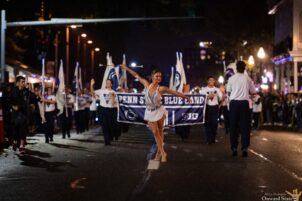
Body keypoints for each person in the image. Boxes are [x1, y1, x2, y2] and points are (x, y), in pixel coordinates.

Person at [121, 64, 190, 162]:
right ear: (152, 77)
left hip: (159, 111)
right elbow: (136, 75)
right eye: (157, 76)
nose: (159, 78)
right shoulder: (146, 84)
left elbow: (174, 92)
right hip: (149, 112)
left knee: (160, 133)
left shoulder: (161, 89)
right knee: (155, 132)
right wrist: (126, 68)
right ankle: (163, 153)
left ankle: (158, 154)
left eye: (160, 76)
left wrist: (185, 97)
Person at [227, 61, 256, 157]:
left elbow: (229, 91)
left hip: (234, 103)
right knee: (245, 126)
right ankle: (244, 148)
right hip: (244, 103)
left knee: (233, 126)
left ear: (236, 68)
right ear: (244, 68)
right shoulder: (248, 79)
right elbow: (253, 92)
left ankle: (234, 147)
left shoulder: (231, 79)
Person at [90, 79, 121, 145]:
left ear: (111, 84)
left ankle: (111, 136)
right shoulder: (101, 91)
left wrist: (112, 97)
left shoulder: (114, 92)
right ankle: (106, 141)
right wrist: (91, 85)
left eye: (109, 83)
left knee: (111, 125)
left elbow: (113, 104)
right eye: (106, 82)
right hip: (102, 109)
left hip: (111, 110)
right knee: (104, 125)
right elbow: (93, 93)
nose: (107, 84)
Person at [8, 76, 31, 154]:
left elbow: (28, 101)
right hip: (15, 114)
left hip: (23, 113)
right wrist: (13, 106)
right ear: (18, 83)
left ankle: (21, 146)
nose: (24, 83)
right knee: (15, 130)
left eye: (24, 81)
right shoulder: (13, 91)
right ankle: (15, 142)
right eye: (22, 81)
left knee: (23, 130)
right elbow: (9, 101)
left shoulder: (26, 91)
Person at [200, 76, 224, 144]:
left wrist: (223, 92)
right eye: (210, 80)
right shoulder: (204, 89)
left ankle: (213, 138)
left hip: (215, 107)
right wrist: (207, 97)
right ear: (208, 81)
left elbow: (221, 99)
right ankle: (208, 140)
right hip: (207, 107)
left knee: (214, 123)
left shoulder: (217, 89)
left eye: (213, 80)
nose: (212, 81)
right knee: (207, 124)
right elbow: (201, 99)